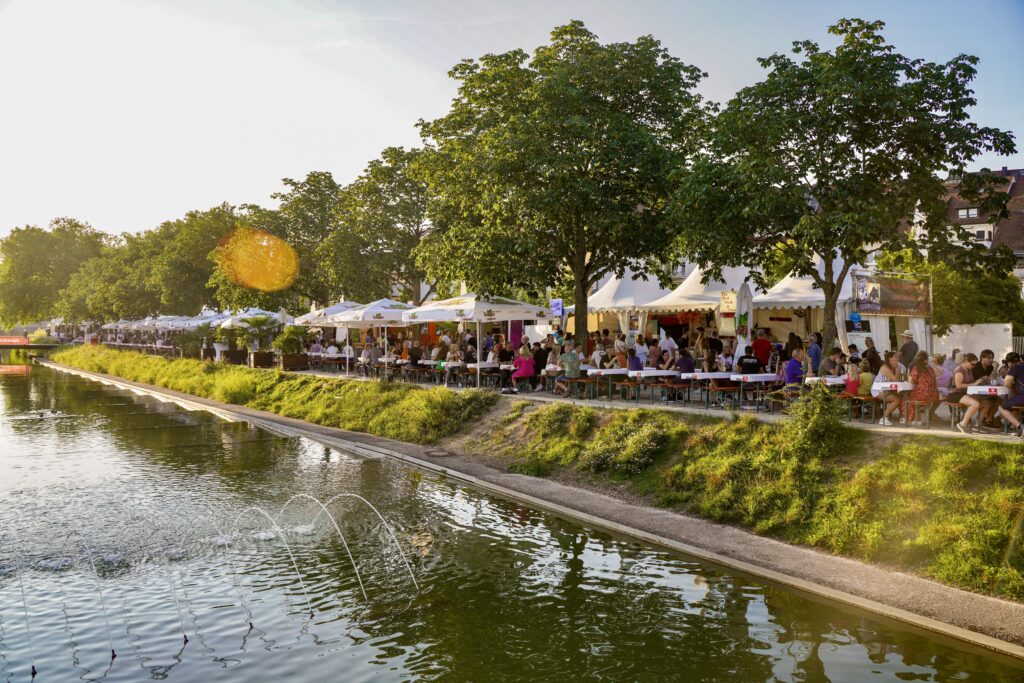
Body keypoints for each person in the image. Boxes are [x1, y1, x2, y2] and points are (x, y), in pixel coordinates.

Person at [948, 353, 982, 434]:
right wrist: (974, 384)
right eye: (972, 364)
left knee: (984, 402)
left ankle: (978, 424)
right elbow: (958, 385)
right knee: (975, 404)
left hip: (964, 393)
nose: (974, 366)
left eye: (975, 365)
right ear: (966, 361)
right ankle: (963, 424)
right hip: (955, 394)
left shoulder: (968, 370)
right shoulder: (959, 370)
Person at [907, 351, 940, 424]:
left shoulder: (916, 368)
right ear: (926, 359)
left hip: (923, 394)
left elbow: (911, 381)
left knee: (906, 398)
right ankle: (923, 419)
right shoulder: (930, 368)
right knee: (920, 399)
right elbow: (939, 374)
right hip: (933, 394)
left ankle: (912, 419)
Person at [997, 352, 1024, 437]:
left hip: (1022, 397)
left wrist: (1013, 385)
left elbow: (1006, 383)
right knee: (1014, 405)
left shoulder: (1015, 367)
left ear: (1009, 362)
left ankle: (1020, 427)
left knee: (1002, 407)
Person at [876, 351, 905, 426]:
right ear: (889, 359)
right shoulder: (884, 367)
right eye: (895, 357)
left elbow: (896, 382)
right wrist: (897, 369)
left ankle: (902, 416)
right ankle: (884, 418)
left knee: (901, 396)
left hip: (887, 389)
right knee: (898, 398)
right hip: (878, 390)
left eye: (897, 357)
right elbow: (896, 380)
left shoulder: (893, 368)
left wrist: (896, 368)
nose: (897, 358)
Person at [973, 349, 1000, 426]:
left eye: (992, 358)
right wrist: (995, 368)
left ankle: (988, 419)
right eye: (988, 358)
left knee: (998, 400)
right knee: (988, 402)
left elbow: (992, 381)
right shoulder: (977, 367)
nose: (991, 360)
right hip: (973, 391)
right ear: (982, 358)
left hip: (984, 391)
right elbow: (989, 380)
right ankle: (978, 424)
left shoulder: (989, 367)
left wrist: (992, 372)